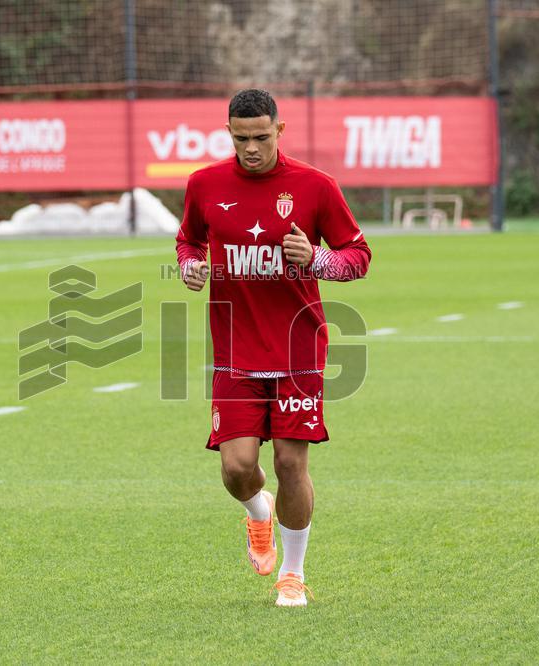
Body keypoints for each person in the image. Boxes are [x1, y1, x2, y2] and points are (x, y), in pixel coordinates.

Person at [175, 88, 371, 606]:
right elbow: (189, 240)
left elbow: (358, 256)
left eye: (261, 137)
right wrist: (190, 265)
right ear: (229, 134)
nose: (251, 148)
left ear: (279, 131)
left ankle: (293, 573)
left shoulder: (316, 186)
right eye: (241, 139)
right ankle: (259, 514)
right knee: (238, 469)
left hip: (298, 349)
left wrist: (317, 260)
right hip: (235, 350)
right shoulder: (204, 184)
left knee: (290, 464)